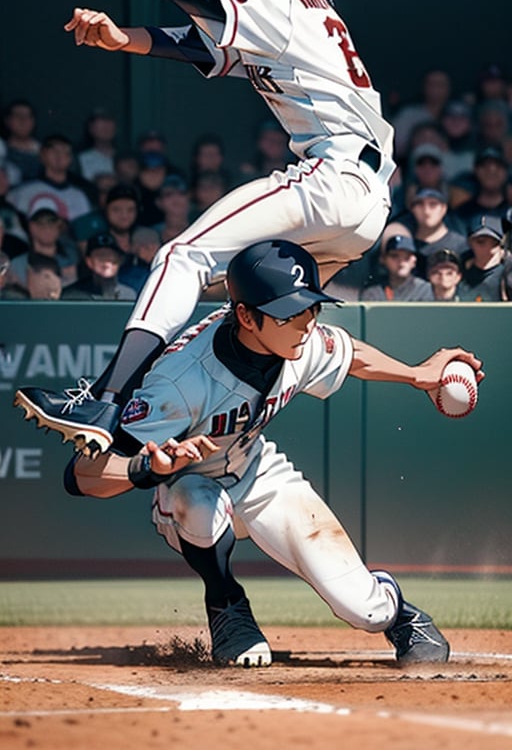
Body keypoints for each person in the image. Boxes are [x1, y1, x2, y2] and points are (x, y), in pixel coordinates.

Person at [19, 0, 395, 454]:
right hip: (362, 208)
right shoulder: (295, 7)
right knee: (246, 309)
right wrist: (123, 40)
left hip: (335, 179)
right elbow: (199, 46)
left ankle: (108, 403)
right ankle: (199, 430)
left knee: (181, 257)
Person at [19, 241, 483, 666]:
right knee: (197, 500)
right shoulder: (179, 383)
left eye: (310, 308)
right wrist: (146, 467)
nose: (305, 321)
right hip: (186, 487)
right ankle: (227, 606)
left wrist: (416, 374)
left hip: (256, 470)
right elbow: (81, 475)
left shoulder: (300, 339)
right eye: (289, 313)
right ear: (245, 316)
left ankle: (399, 614)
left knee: (361, 607)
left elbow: (349, 353)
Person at [8, 133, 92, 224]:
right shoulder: (22, 192)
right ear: (42, 155)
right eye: (54, 150)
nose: (60, 155)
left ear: (71, 159)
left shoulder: (79, 196)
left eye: (65, 152)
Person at [9, 195, 80, 289]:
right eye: (40, 222)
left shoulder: (73, 259)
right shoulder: (17, 264)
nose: (47, 228)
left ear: (60, 225)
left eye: (51, 222)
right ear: (31, 226)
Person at [408, 188, 468, 278]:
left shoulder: (461, 245)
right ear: (412, 209)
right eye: (420, 204)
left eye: (433, 204)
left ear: (444, 208)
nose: (426, 211)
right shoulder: (405, 245)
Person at [61, 233, 137, 301]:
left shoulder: (128, 295)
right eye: (101, 257)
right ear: (89, 262)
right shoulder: (72, 295)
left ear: (119, 261)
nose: (107, 262)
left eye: (112, 257)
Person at [361, 234, 433, 302]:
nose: (401, 262)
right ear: (383, 259)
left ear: (414, 261)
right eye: (394, 256)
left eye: (406, 257)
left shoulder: (424, 289)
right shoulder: (373, 291)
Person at [457, 215, 506, 302]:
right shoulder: (458, 274)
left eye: (494, 242)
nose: (488, 247)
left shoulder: (507, 274)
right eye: (481, 241)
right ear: (470, 242)